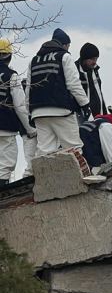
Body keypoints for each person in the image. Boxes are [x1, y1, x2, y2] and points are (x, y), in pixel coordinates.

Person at [26, 28, 90, 156]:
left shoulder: (33, 61)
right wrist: (85, 104)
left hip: (38, 113)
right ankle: (77, 176)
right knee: (74, 149)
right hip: (61, 110)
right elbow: (73, 84)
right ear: (64, 44)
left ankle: (43, 176)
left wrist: (29, 111)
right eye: (68, 46)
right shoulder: (64, 57)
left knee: (44, 152)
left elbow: (28, 89)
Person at [0, 39, 36, 186]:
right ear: (9, 56)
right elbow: (20, 106)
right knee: (5, 164)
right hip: (6, 127)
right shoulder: (11, 76)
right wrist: (30, 128)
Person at [80, 103, 112, 169]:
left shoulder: (97, 121)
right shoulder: (107, 126)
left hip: (82, 160)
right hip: (90, 166)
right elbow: (111, 158)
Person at [75, 42, 107, 118]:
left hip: (98, 116)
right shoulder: (74, 70)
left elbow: (99, 94)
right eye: (92, 59)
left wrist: (105, 114)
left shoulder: (94, 70)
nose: (95, 62)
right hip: (82, 117)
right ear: (84, 58)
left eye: (96, 59)